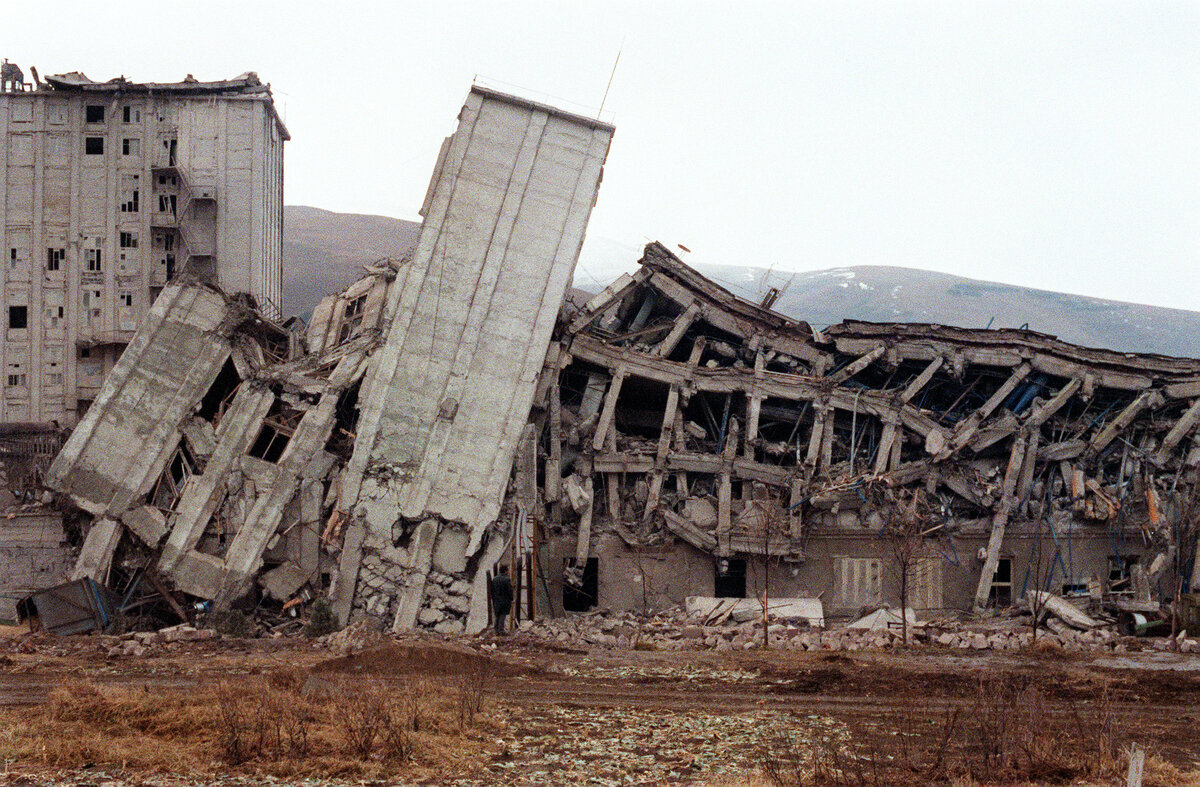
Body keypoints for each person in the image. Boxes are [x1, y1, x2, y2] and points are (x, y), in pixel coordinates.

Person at [490, 564, 513, 635]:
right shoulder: (507, 579)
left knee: (497, 615)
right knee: (502, 615)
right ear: (505, 571)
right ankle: (501, 630)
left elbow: (492, 590)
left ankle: (496, 630)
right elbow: (510, 590)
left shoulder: (495, 579)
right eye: (508, 570)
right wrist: (511, 598)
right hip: (505, 600)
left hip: (496, 600)